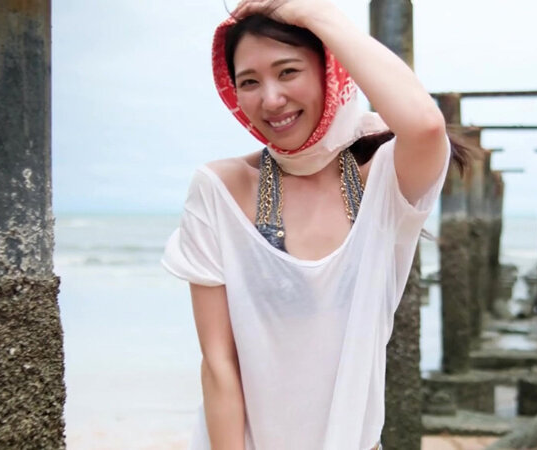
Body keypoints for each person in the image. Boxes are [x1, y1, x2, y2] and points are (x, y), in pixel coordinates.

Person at [162, 1, 465, 448]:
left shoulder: (383, 184)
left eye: (288, 72)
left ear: (330, 70)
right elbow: (219, 364)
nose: (270, 99)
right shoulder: (220, 189)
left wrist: (316, 14)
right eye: (249, 82)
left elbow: (424, 125)